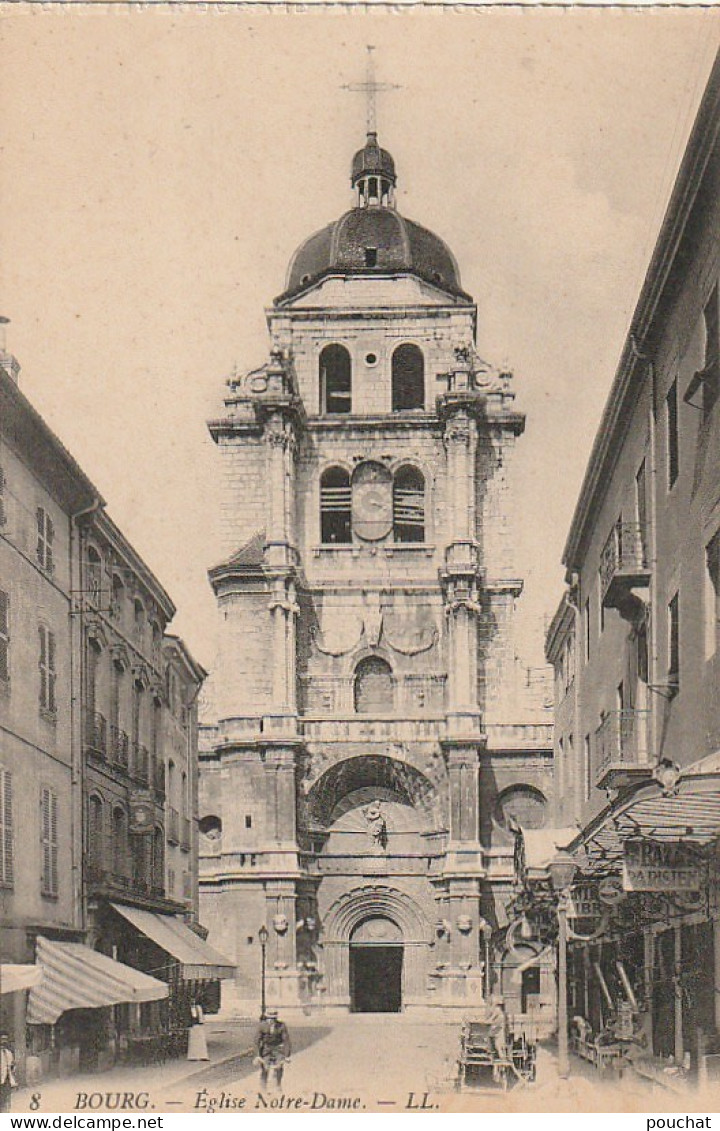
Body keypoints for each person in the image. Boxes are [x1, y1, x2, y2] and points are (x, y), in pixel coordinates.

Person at [255, 1010, 291, 1091]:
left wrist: (287, 1055)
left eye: (274, 1018)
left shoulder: (281, 1025)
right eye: (269, 1018)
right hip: (266, 1048)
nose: (271, 1020)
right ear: (266, 1018)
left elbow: (286, 1040)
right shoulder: (262, 1026)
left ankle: (278, 1084)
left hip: (277, 1048)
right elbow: (256, 1041)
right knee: (265, 1067)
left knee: (279, 1066)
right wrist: (257, 1055)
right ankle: (263, 1087)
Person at [0, 1033, 17, 1113]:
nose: (4, 1042)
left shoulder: (9, 1053)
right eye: (2, 1039)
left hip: (6, 1080)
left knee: (6, 1101)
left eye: (5, 1040)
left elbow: (12, 1066)